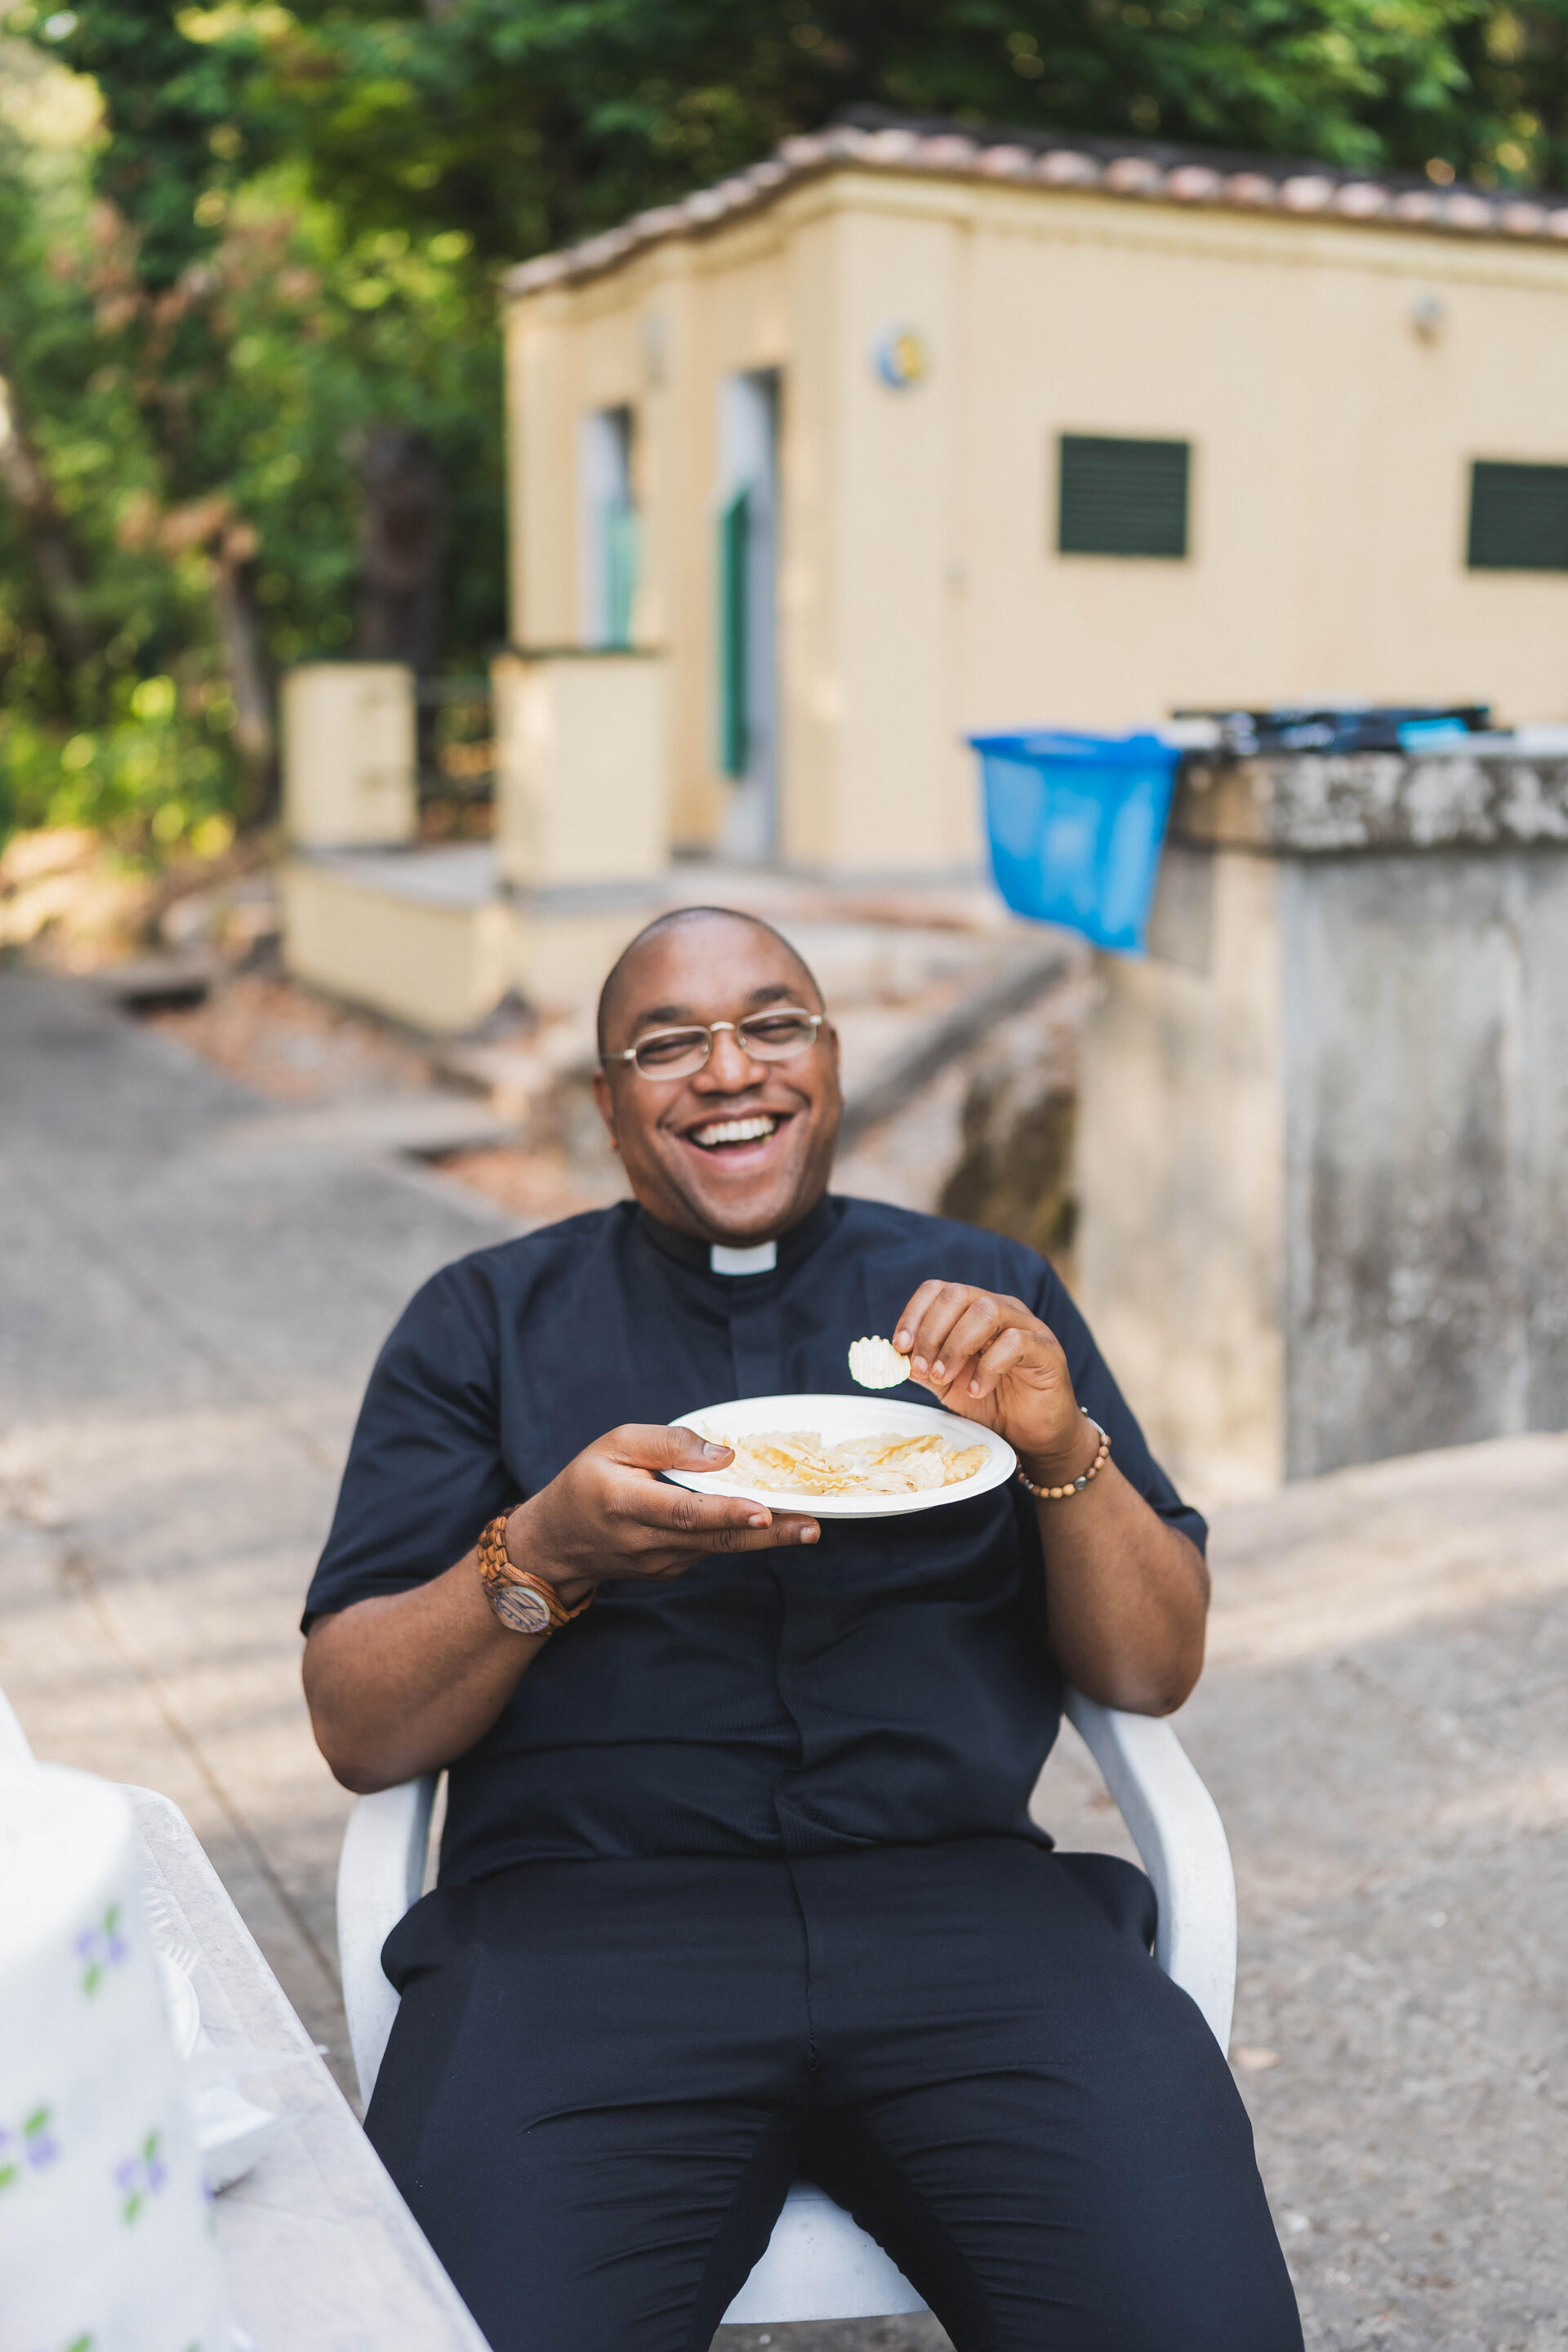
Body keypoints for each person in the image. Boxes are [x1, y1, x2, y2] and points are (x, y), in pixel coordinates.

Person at [302, 905, 1303, 2352]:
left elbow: (1153, 1666)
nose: (730, 1070)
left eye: (773, 1025)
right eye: (667, 1044)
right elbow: (358, 1723)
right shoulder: (480, 1323)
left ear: (831, 1060)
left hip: (970, 1922)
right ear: (605, 1103)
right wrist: (548, 1553)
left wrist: (1057, 1444)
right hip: (580, 1947)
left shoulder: (989, 1303)